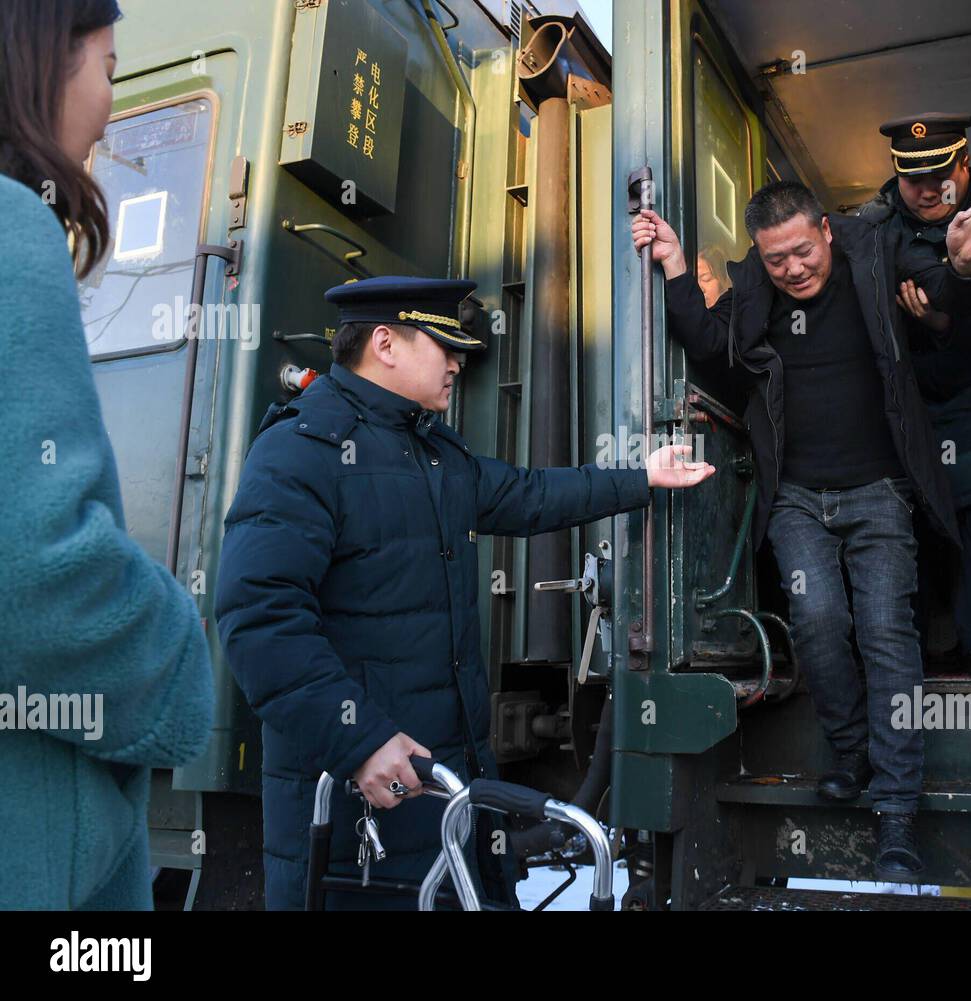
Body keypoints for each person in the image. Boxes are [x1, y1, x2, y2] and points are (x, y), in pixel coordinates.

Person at [215, 277, 715, 910]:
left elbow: (528, 495)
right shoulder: (300, 450)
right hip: (359, 806)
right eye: (444, 345)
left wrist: (642, 476)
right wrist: (358, 740)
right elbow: (259, 617)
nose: (457, 361)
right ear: (386, 343)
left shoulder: (430, 451)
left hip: (449, 791)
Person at [633, 179, 971, 881]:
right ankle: (851, 750)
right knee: (816, 618)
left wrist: (961, 265)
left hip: (880, 490)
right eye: (777, 260)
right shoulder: (756, 291)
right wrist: (677, 266)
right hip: (798, 496)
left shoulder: (876, 248)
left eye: (802, 252)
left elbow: (954, 307)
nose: (793, 269)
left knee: (886, 633)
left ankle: (895, 812)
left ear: (827, 233)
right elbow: (712, 350)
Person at [0, 0, 214, 910]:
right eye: (111, 72)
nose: (107, 107)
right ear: (46, 64)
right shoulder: (13, 228)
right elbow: (38, 575)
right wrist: (178, 656)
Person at [862, 113, 971, 684]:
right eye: (914, 179)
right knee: (916, 518)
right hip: (911, 399)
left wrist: (939, 317)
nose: (929, 190)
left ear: (962, 162)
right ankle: (924, 650)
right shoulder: (876, 227)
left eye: (939, 175)